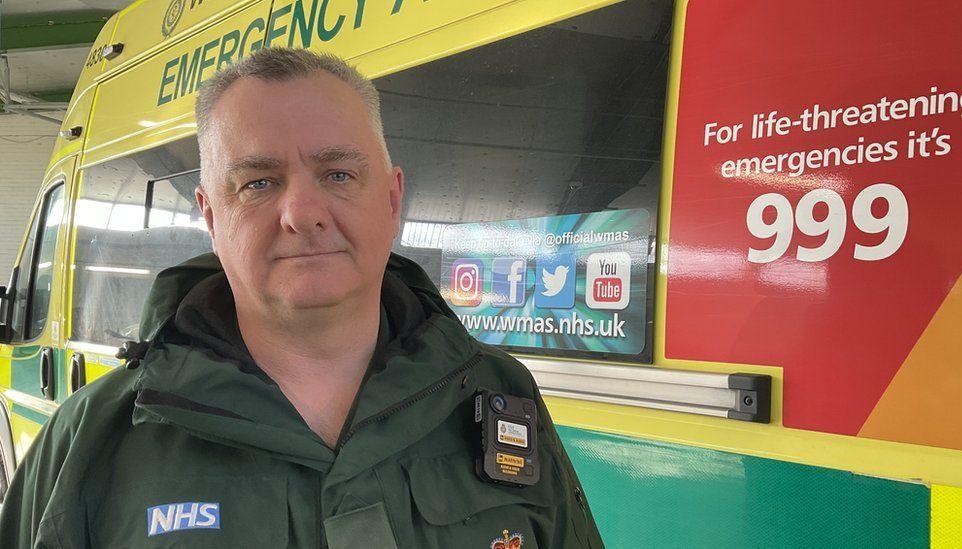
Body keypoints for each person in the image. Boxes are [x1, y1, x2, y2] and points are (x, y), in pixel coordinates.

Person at [0, 47, 604, 548]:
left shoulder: (500, 400)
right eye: (258, 182)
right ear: (211, 216)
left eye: (338, 174)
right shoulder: (91, 442)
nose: (302, 213)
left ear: (392, 200)